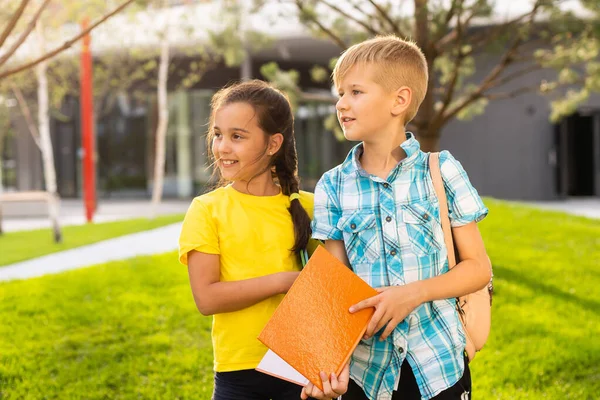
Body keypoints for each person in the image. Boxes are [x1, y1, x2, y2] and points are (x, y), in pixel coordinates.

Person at [303, 35, 491, 400]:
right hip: (364, 373)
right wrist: (325, 364)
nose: (341, 104)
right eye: (340, 93)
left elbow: (478, 268)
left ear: (399, 100)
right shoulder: (332, 185)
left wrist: (412, 294)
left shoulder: (441, 170)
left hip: (437, 365)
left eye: (355, 92)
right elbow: (333, 285)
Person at [178, 80, 329, 399]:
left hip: (302, 368)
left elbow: (331, 290)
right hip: (238, 375)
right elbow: (206, 298)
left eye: (237, 136)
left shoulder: (310, 207)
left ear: (273, 144)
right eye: (218, 134)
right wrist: (284, 281)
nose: (222, 147)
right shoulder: (207, 210)